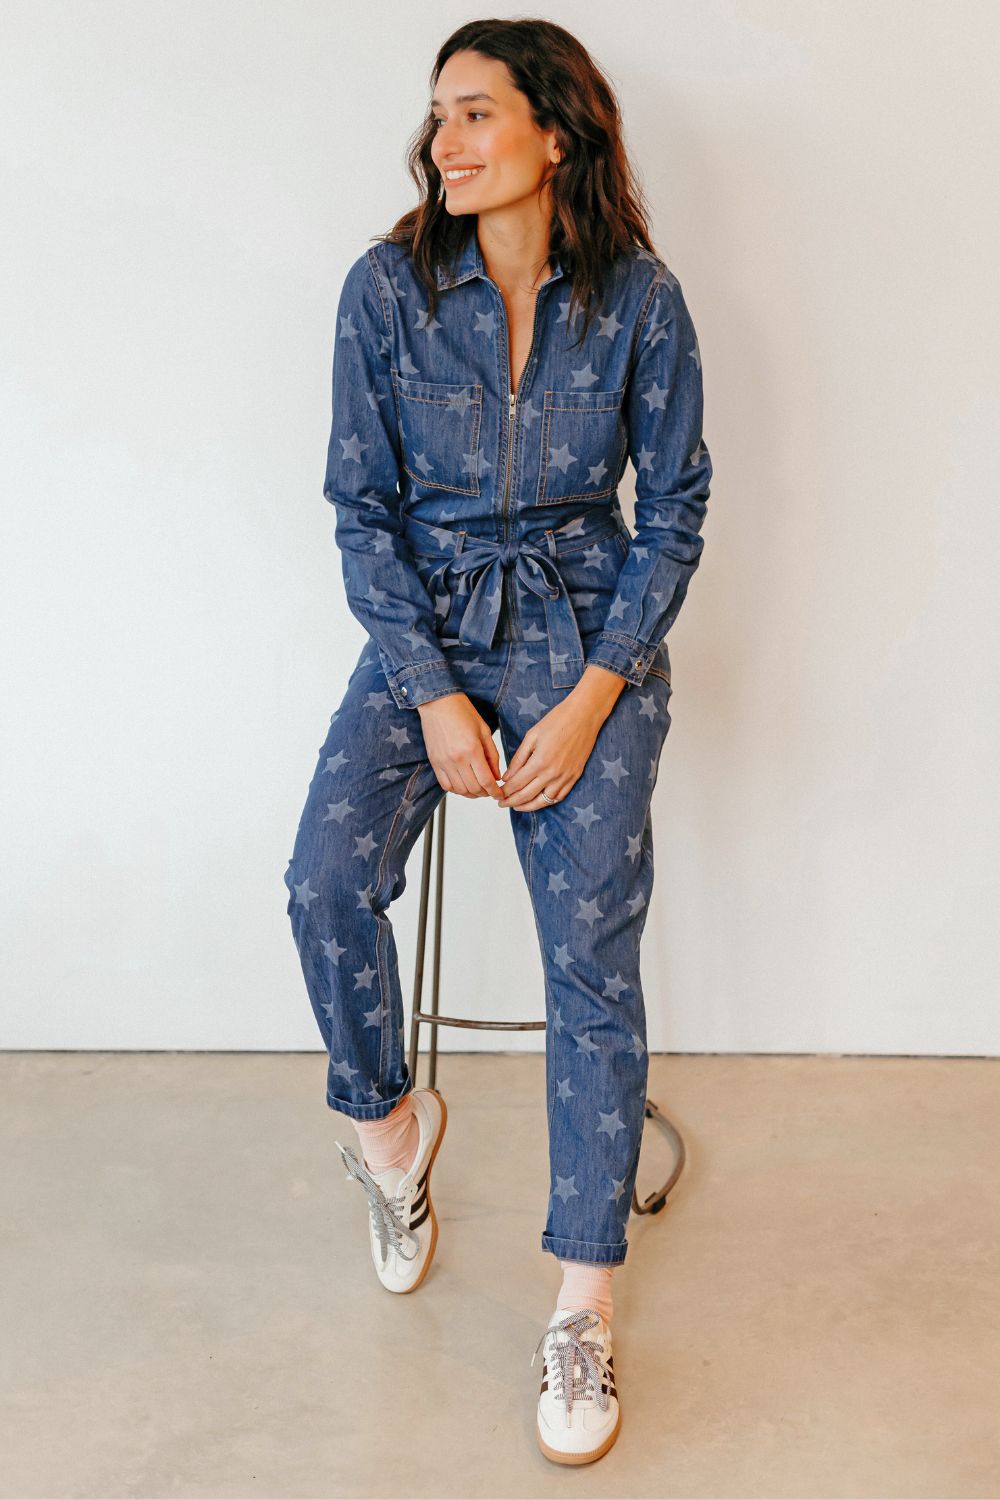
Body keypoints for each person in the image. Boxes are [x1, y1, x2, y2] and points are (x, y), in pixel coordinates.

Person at [283, 16, 712, 1466]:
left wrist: (595, 692)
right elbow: (361, 510)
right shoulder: (385, 291)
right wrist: (431, 694)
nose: (446, 141)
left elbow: (677, 515)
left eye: (475, 114)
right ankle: (392, 1137)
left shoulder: (641, 301)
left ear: (556, 132)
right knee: (324, 880)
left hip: (591, 634)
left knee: (589, 957)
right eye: (439, 118)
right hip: (432, 635)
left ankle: (582, 1305)